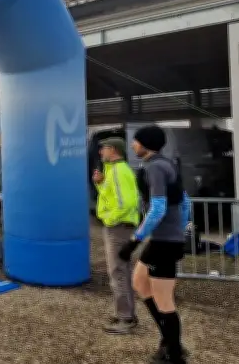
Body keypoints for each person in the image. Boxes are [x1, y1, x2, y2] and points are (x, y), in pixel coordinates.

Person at [118, 126, 191, 364]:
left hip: (164, 243)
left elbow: (158, 208)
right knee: (139, 282)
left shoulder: (156, 167)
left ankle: (174, 354)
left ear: (146, 143)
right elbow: (185, 201)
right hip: (164, 239)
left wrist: (134, 240)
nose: (132, 145)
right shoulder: (164, 164)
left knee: (164, 300)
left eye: (136, 141)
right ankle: (170, 341)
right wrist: (179, 229)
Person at [92, 137, 140, 335]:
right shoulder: (113, 170)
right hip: (119, 226)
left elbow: (126, 203)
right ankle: (125, 313)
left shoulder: (119, 171)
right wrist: (100, 184)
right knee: (121, 271)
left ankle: (125, 318)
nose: (101, 152)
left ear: (113, 150)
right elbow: (111, 196)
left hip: (118, 227)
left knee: (118, 272)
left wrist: (110, 220)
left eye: (103, 148)